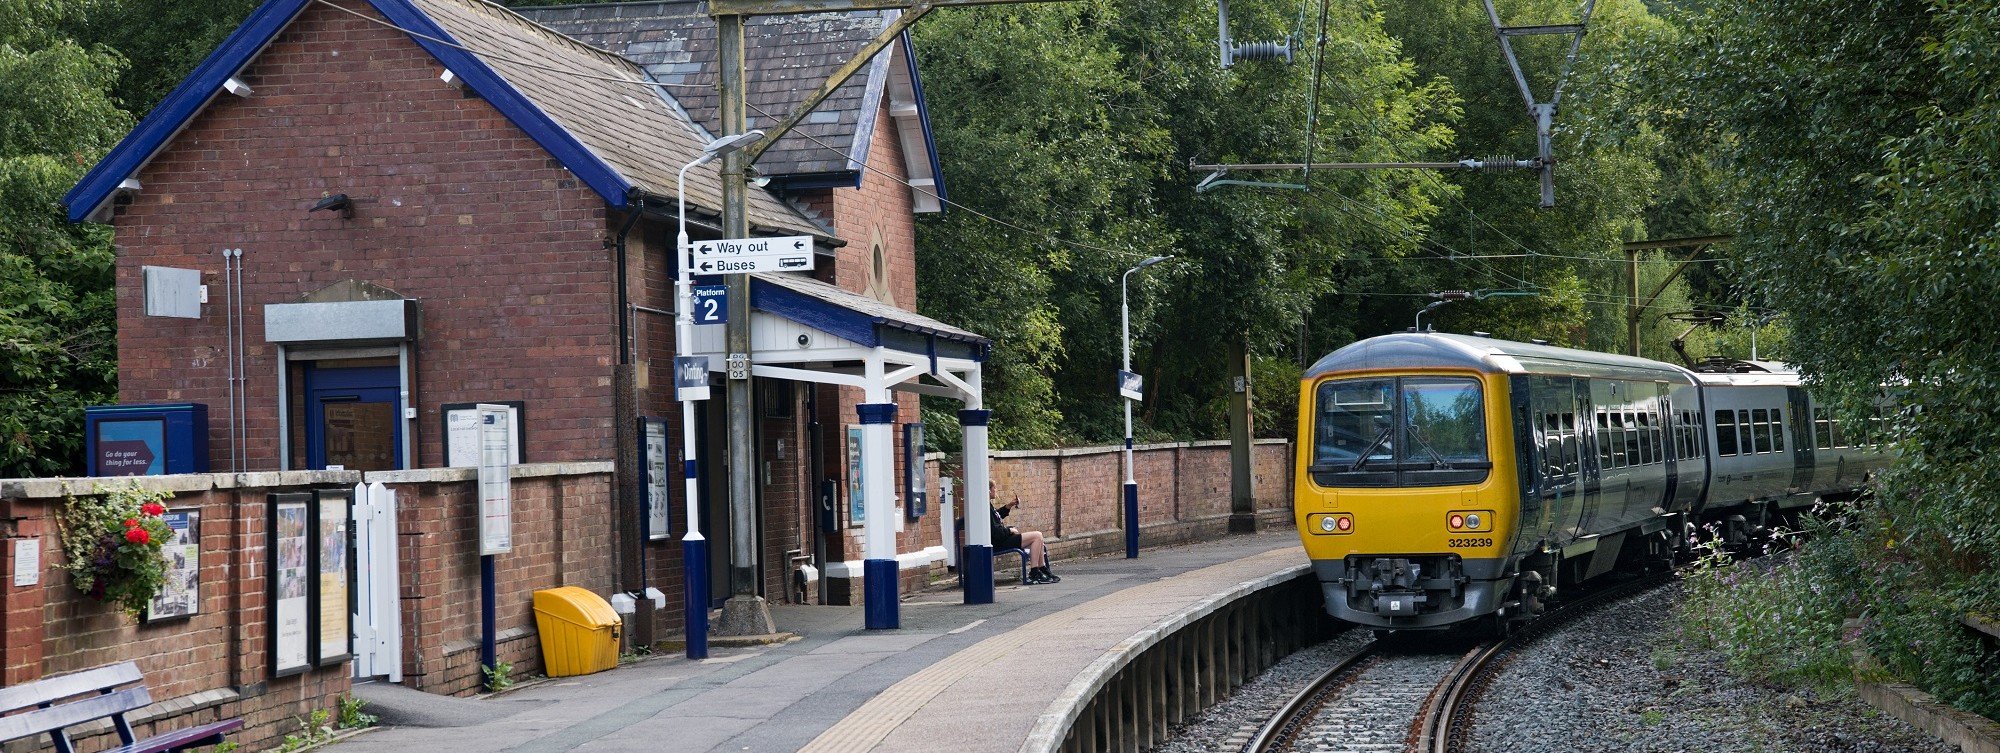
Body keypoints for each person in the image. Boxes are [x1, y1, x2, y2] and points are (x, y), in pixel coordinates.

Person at [990, 482, 1059, 584]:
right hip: (999, 542)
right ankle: (1035, 572)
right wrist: (1009, 530)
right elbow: (995, 532)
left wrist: (1009, 505)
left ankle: (1042, 569)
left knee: (1039, 539)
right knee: (1037, 536)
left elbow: (997, 516)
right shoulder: (986, 508)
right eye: (994, 488)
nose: (996, 490)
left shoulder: (988, 506)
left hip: (1002, 539)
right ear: (989, 490)